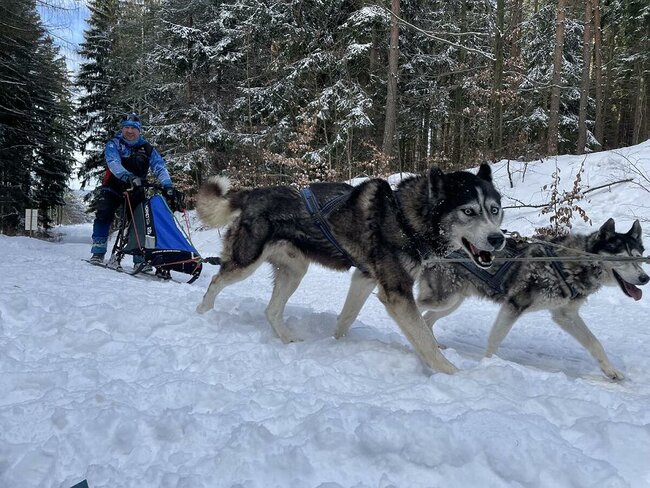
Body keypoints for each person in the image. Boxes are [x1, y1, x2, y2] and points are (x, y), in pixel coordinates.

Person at [90, 113, 177, 276]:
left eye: (133, 128)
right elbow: (113, 162)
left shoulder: (147, 148)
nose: (129, 131)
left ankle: (140, 259)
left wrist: (168, 185)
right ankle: (98, 251)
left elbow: (159, 167)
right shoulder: (114, 144)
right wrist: (127, 176)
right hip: (113, 186)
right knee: (104, 213)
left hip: (137, 188)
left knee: (140, 222)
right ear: (122, 129)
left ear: (139, 130)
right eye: (126, 127)